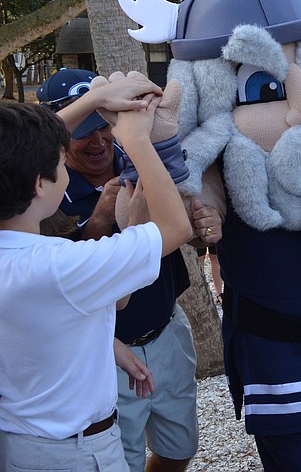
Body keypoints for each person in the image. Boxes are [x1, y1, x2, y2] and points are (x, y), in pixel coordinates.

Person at [0, 91, 192, 471]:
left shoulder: (27, 263)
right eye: (59, 161)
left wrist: (94, 99)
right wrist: (137, 141)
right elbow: (175, 227)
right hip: (76, 452)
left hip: (21, 444)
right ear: (41, 185)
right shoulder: (60, 266)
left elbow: (108, 303)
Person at [37, 70, 216, 472]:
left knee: (179, 447)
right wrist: (100, 224)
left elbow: (187, 234)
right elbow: (54, 283)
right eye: (84, 130)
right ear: (58, 136)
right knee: (123, 458)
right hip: (103, 348)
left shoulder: (141, 157)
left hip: (167, 327)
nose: (99, 141)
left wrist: (205, 230)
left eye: (105, 125)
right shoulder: (44, 190)